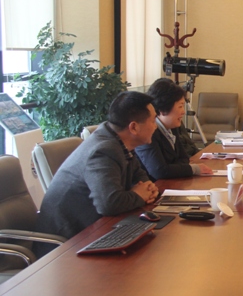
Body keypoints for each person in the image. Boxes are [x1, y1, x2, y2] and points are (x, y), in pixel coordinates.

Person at [34, 91, 160, 254]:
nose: (156, 126)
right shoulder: (104, 150)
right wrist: (139, 195)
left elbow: (139, 174)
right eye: (153, 120)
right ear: (134, 127)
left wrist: (147, 188)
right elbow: (109, 203)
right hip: (65, 244)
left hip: (94, 229)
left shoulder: (119, 141)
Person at [135, 78, 213, 180]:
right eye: (180, 106)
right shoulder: (148, 131)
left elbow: (184, 158)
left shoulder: (172, 126)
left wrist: (173, 167)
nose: (183, 112)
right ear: (163, 109)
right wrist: (193, 169)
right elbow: (159, 171)